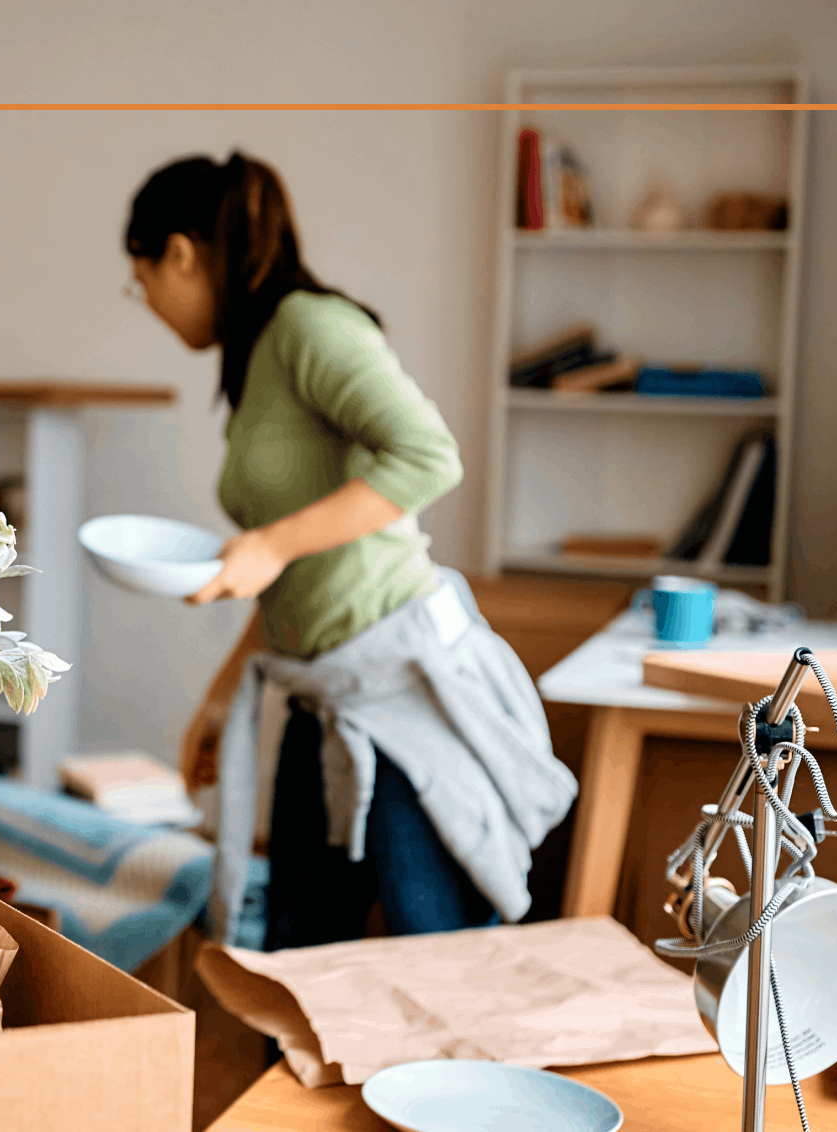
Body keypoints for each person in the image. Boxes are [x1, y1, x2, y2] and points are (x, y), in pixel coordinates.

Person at [122, 152, 576, 949]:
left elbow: (430, 456)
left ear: (182, 255)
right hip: (319, 696)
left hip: (400, 696)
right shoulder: (257, 357)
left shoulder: (310, 326)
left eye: (142, 279)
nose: (148, 301)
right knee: (296, 960)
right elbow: (294, 569)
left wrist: (270, 542)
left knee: (428, 953)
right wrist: (222, 696)